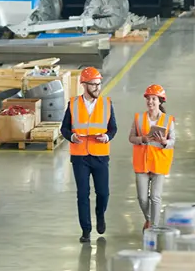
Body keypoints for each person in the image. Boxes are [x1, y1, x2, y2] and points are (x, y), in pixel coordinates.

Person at [60, 67, 117, 243]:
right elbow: (64, 128)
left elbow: (113, 128)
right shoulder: (73, 104)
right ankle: (86, 230)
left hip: (100, 155)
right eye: (93, 85)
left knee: (103, 193)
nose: (97, 88)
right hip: (80, 157)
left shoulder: (107, 104)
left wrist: (106, 137)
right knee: (83, 194)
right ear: (84, 85)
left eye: (99, 84)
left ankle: (100, 215)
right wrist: (72, 136)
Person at [129, 84, 175, 230]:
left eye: (154, 99)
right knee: (142, 198)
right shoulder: (139, 118)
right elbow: (131, 138)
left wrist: (164, 142)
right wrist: (143, 139)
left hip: (158, 163)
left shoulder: (168, 120)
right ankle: (149, 219)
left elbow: (173, 141)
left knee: (155, 197)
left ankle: (154, 227)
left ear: (160, 101)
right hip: (141, 163)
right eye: (148, 99)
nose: (150, 102)